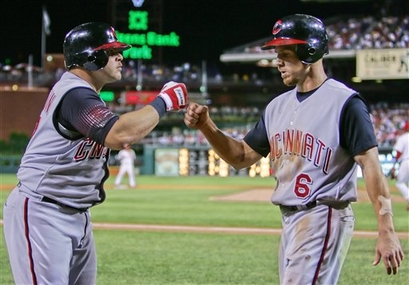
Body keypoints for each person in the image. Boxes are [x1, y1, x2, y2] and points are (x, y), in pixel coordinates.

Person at [184, 14, 404, 284]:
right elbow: (240, 157)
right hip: (290, 221)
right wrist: (207, 126)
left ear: (309, 52)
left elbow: (371, 166)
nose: (278, 61)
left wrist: (386, 229)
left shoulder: (345, 102)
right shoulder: (277, 106)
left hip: (324, 214)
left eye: (285, 53)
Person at [3, 22, 188, 285]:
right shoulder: (74, 93)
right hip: (42, 210)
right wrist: (164, 101)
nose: (120, 57)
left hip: (76, 212)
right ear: (91, 56)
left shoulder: (85, 94)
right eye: (112, 51)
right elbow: (119, 135)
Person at [391, 121, 409, 210]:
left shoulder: (403, 138)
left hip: (407, 161)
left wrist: (394, 166)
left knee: (400, 183)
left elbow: (398, 153)